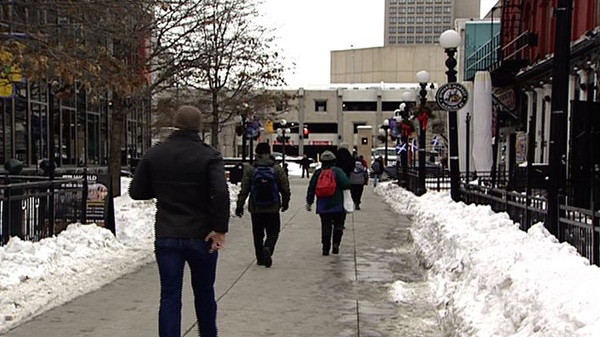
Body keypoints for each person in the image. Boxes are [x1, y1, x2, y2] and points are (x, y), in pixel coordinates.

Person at [129, 105, 229, 337]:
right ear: (199, 127)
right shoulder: (209, 155)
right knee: (204, 292)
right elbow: (221, 193)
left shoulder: (155, 153)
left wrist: (164, 189)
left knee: (170, 295)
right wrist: (220, 229)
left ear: (175, 124)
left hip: (167, 234)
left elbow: (136, 191)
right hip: (202, 236)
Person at [235, 142, 291, 268]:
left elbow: (244, 189)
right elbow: (285, 187)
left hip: (256, 207)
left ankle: (260, 258)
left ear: (257, 153)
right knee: (273, 231)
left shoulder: (251, 169)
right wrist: (285, 202)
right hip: (273, 206)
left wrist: (240, 205)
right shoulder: (277, 168)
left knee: (258, 233)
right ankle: (268, 248)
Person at [305, 150, 351, 256]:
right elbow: (346, 184)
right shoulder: (338, 172)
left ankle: (325, 248)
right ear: (334, 161)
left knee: (326, 225)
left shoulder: (318, 173)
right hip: (338, 204)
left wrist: (309, 201)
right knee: (338, 225)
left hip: (323, 205)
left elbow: (311, 188)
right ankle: (336, 244)